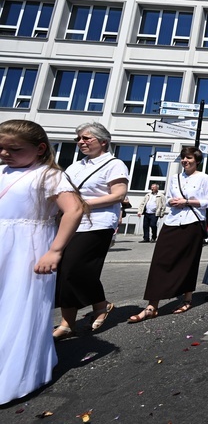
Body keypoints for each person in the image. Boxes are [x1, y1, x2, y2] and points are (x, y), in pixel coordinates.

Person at [0, 120, 84, 405]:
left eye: (13, 149)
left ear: (39, 149)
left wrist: (55, 250)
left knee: (18, 306)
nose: (4, 154)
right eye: (0, 148)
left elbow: (74, 210)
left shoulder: (48, 175)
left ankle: (17, 374)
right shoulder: (2, 170)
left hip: (28, 248)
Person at [55, 122, 129, 339]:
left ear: (103, 141)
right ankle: (94, 308)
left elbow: (117, 195)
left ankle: (72, 319)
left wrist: (84, 204)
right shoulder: (75, 167)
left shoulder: (114, 164)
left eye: (87, 138)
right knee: (65, 271)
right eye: (79, 138)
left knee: (73, 269)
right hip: (71, 222)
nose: (81, 142)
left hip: (98, 223)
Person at [129, 146, 208, 322]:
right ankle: (152, 306)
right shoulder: (175, 178)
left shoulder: (203, 178)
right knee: (160, 260)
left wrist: (187, 201)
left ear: (197, 160)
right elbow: (167, 198)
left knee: (188, 261)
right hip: (172, 222)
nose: (185, 160)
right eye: (183, 158)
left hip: (192, 222)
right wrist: (172, 201)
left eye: (189, 158)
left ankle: (187, 298)